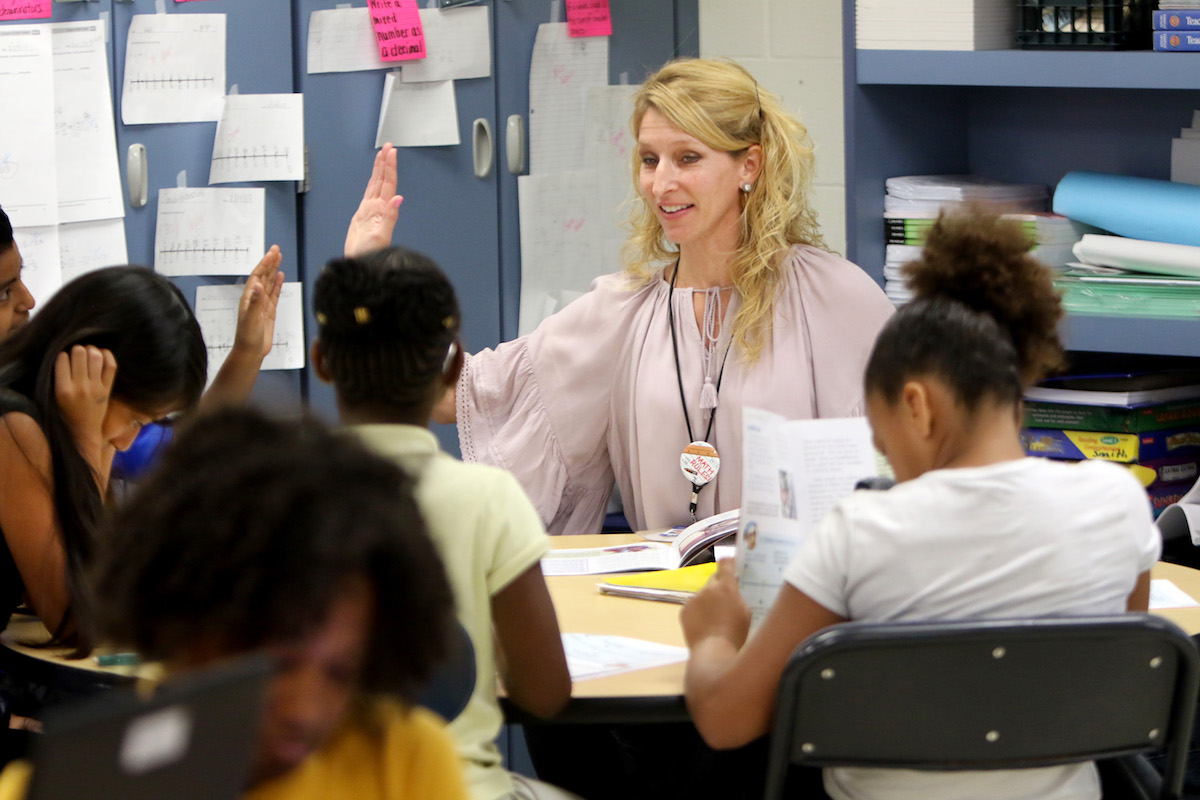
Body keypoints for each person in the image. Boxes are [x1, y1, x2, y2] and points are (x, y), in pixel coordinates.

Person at [680, 207, 1161, 800]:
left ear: (917, 406)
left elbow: (728, 721)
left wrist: (713, 637)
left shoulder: (861, 530)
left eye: (882, 442)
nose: (891, 465)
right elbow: (1120, 671)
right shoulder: (1117, 502)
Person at [344, 59, 894, 534]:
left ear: (748, 165)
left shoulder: (832, 297)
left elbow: (900, 476)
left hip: (797, 608)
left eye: (688, 158)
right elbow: (451, 395)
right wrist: (367, 279)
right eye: (650, 159)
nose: (660, 184)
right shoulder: (625, 312)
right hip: (660, 603)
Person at [0, 407, 469, 799]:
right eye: (279, 665)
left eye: (340, 673)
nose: (305, 710)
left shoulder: (404, 759)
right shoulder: (69, 785)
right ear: (183, 623)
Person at [311, 247, 574, 800]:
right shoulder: (488, 498)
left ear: (322, 362)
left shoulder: (273, 497)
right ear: (455, 367)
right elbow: (545, 693)